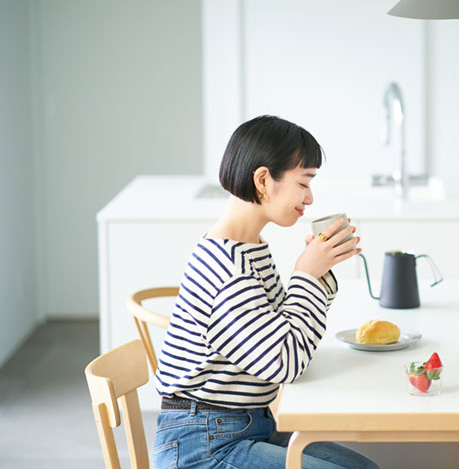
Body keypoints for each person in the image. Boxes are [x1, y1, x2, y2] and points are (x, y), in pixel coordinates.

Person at [153, 115, 379, 469]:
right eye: (304, 182)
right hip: (204, 444)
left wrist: (316, 275)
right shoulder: (227, 266)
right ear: (263, 180)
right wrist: (305, 274)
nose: (310, 196)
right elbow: (285, 362)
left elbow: (283, 334)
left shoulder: (248, 246)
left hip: (241, 426)